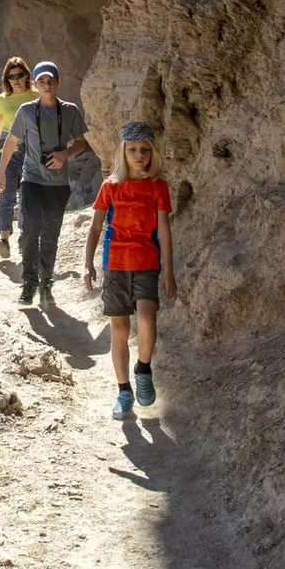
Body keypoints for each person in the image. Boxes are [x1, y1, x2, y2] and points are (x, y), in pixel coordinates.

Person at [83, 121, 174, 420]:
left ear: (152, 153)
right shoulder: (110, 186)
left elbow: (163, 231)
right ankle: (124, 390)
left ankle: (143, 368)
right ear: (123, 151)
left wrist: (169, 270)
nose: (139, 156)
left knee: (147, 319)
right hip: (115, 265)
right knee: (119, 329)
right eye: (133, 149)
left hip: (147, 262)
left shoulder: (158, 187)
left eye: (145, 150)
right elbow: (96, 227)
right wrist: (87, 264)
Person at [0, 61, 88, 308]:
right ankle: (29, 283)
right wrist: (2, 172)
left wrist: (64, 155)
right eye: (41, 81)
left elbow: (80, 142)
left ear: (58, 82)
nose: (46, 85)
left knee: (50, 236)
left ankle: (46, 284)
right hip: (32, 180)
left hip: (58, 184)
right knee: (30, 232)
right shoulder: (26, 111)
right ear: (35, 85)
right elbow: (12, 140)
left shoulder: (70, 111)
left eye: (51, 81)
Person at [0, 57, 36, 259]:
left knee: (28, 194)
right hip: (8, 147)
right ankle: (4, 240)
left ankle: (24, 235)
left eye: (19, 75)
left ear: (26, 75)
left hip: (32, 147)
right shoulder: (2, 99)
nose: (15, 80)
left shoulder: (36, 95)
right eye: (11, 76)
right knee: (6, 194)